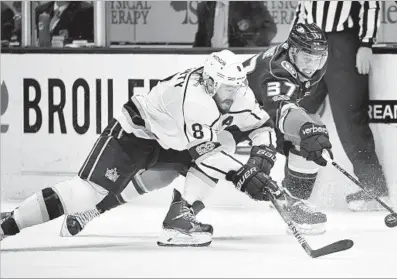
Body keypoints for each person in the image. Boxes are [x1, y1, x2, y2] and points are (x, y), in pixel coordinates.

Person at [1, 50, 316, 247]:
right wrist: (246, 176)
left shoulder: (237, 92)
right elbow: (208, 152)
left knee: (177, 172)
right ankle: (11, 222)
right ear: (210, 84)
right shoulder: (195, 101)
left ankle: (178, 220)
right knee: (85, 192)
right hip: (135, 132)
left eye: (237, 87)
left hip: (174, 139)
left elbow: (260, 126)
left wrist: (262, 157)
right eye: (227, 89)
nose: (234, 96)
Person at [59, 23, 334, 241]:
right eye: (306, 57)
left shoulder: (297, 64)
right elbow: (282, 108)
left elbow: (272, 115)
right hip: (222, 117)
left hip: (247, 119)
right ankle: (117, 211)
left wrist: (270, 148)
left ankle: (292, 205)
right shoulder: (276, 73)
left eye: (317, 58)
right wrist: (306, 126)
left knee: (300, 146)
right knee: (172, 172)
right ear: (291, 52)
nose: (311, 65)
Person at [291, 1, 389, 212]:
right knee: (295, 117)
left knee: (350, 119)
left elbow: (371, 5)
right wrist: (292, 46)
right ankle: (294, 188)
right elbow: (301, 11)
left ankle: (374, 186)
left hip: (344, 46)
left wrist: (366, 43)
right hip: (310, 47)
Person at [193, 1, 277, 47]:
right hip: (212, 61)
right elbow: (201, 40)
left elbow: (270, 29)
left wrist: (250, 48)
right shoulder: (204, 7)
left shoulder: (250, 3)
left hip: (240, 60)